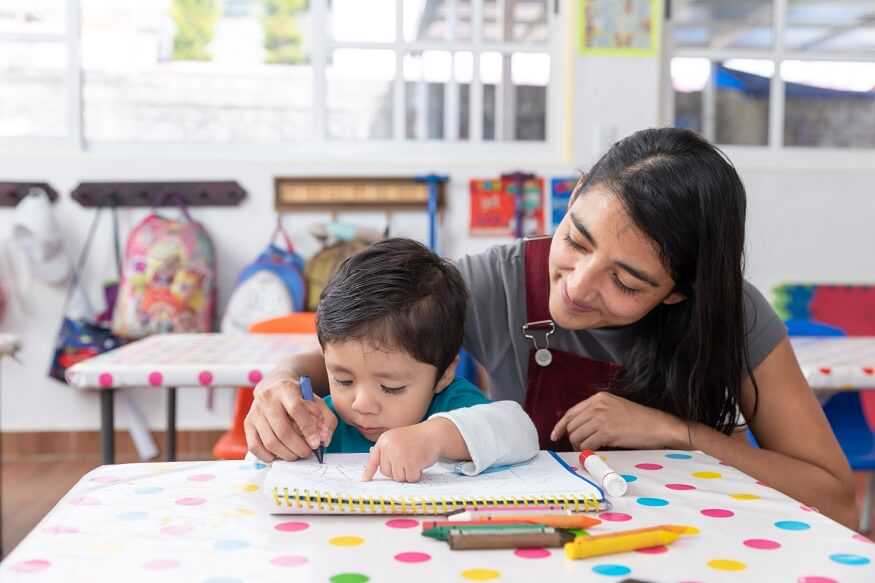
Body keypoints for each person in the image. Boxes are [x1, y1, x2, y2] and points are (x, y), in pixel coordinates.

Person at [246, 128, 856, 527]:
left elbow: (835, 496)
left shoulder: (733, 317)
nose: (579, 285)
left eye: (627, 281)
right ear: (574, 196)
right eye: (576, 239)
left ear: (681, 292)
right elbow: (360, 350)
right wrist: (278, 384)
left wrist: (678, 432)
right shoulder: (490, 282)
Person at [246, 237, 538, 483]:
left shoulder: (454, 404)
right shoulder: (323, 422)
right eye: (343, 380)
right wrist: (281, 438)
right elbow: (256, 470)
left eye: (391, 387)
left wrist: (435, 438)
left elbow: (522, 432)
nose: (361, 404)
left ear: (445, 373)